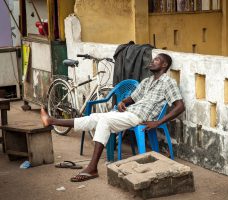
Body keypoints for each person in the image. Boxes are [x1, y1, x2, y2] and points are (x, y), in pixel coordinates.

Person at [41, 53, 185, 182]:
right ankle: (52, 121)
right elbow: (133, 98)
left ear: (164, 65)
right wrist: (123, 102)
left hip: (139, 116)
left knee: (104, 121)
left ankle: (92, 168)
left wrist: (158, 122)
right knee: (94, 117)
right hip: (128, 111)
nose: (152, 61)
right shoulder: (147, 81)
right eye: (153, 59)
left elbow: (180, 106)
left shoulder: (168, 82)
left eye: (157, 60)